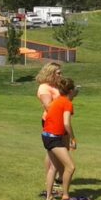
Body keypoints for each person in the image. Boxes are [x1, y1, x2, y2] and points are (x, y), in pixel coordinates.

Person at [42, 77, 78, 200]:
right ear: (70, 91)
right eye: (74, 90)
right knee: (70, 167)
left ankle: (49, 197)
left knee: (54, 167)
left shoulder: (57, 100)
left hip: (46, 135)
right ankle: (65, 195)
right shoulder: (67, 103)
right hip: (54, 138)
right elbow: (66, 123)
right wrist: (72, 138)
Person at [36, 62, 63, 190]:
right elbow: (49, 106)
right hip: (50, 121)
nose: (61, 75)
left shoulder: (56, 86)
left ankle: (56, 177)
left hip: (60, 120)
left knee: (58, 150)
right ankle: (50, 178)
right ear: (50, 73)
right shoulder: (44, 88)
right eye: (58, 73)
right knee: (51, 150)